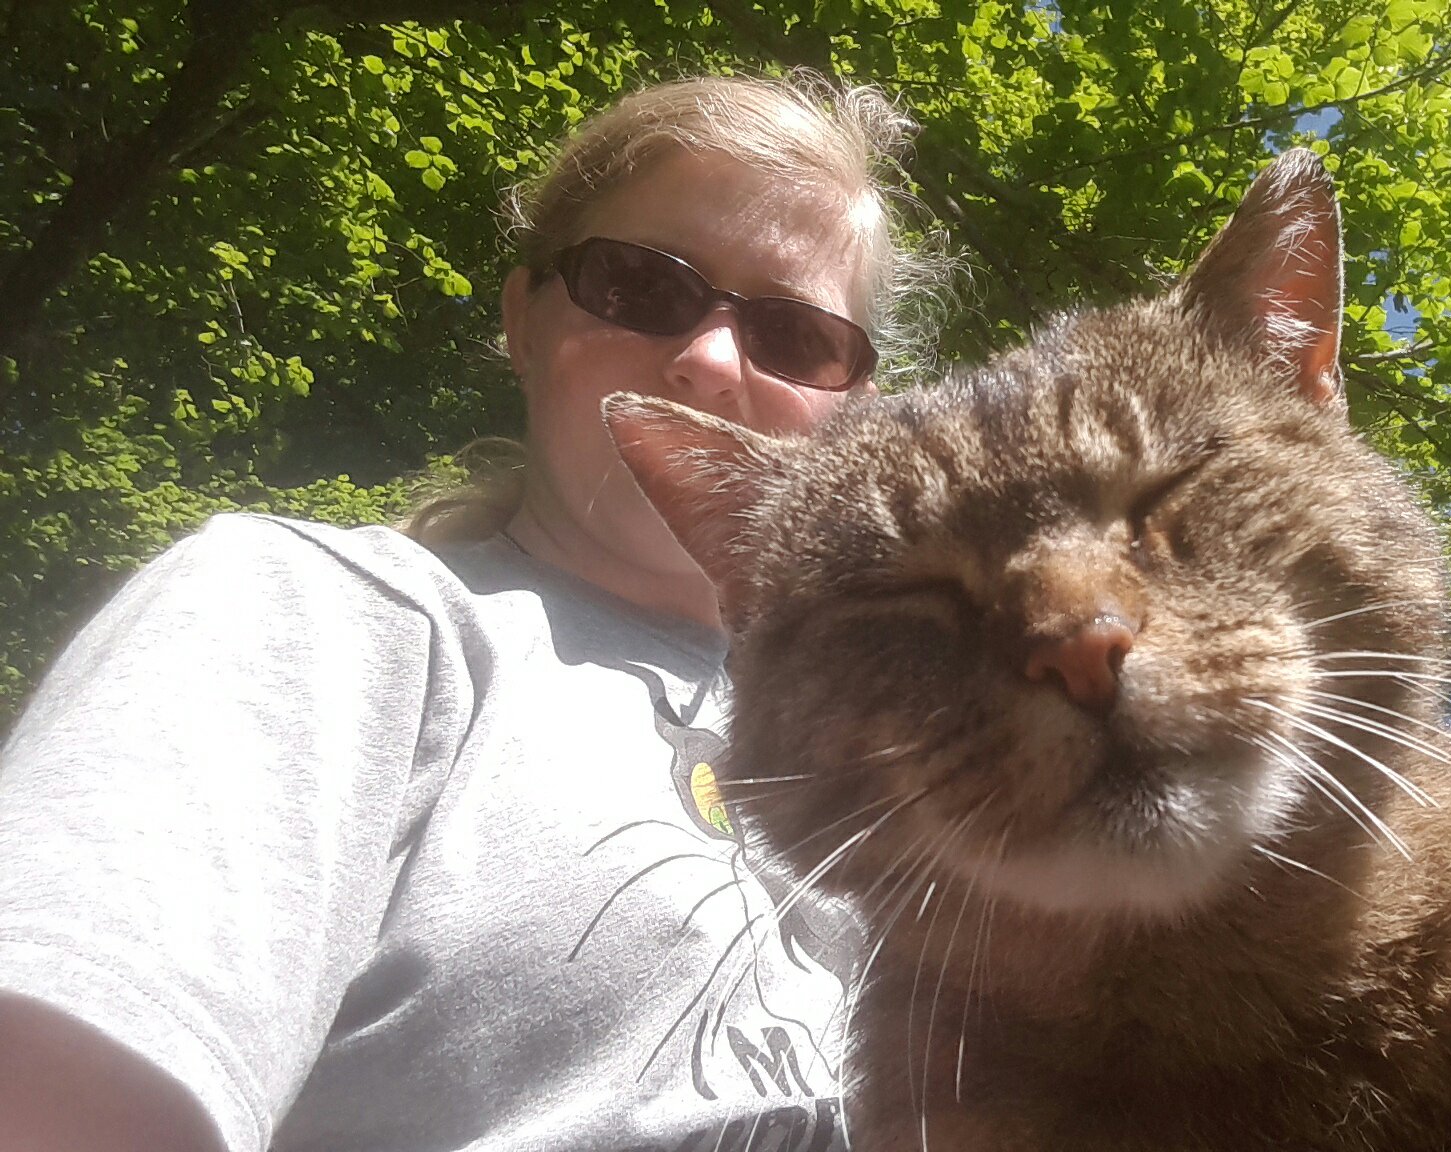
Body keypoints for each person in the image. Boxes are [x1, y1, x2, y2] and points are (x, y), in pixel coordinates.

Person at [0, 71, 944, 1152]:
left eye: (794, 336)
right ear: (522, 320)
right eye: (640, 285)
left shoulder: (930, 743)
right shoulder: (322, 621)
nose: (708, 364)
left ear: (856, 412)